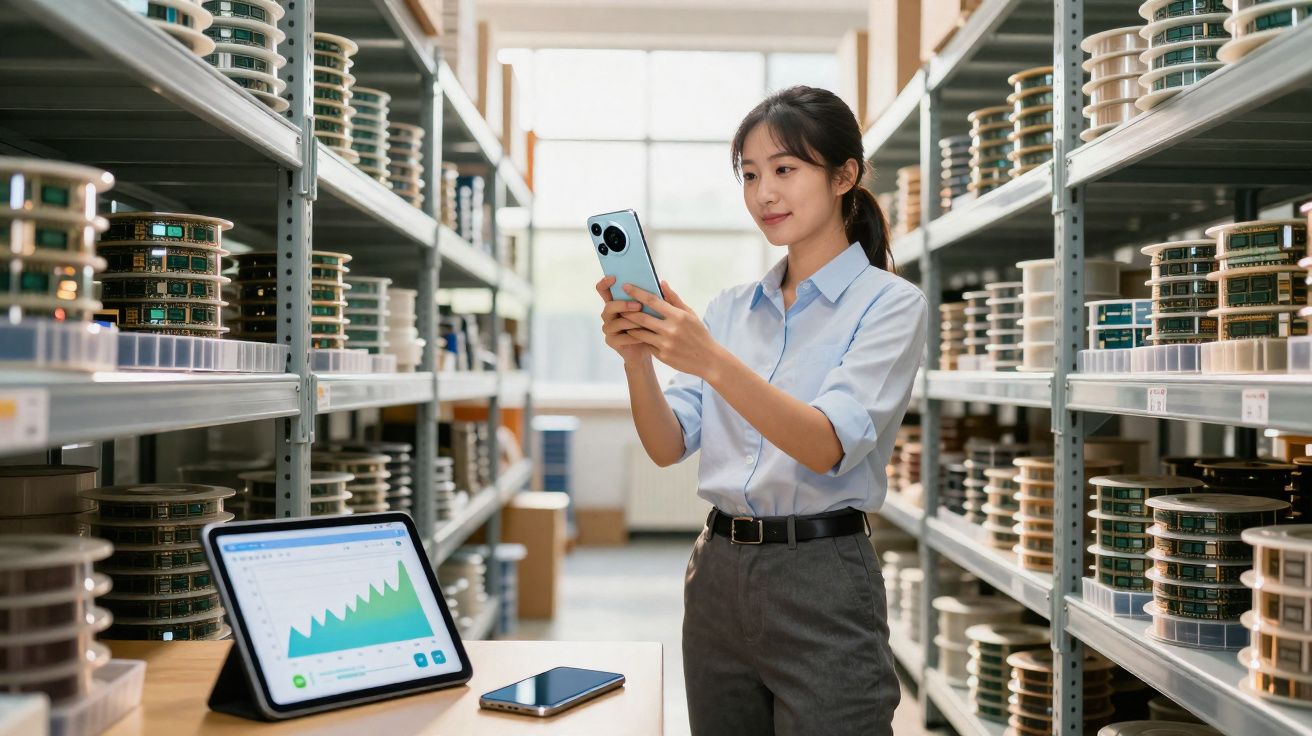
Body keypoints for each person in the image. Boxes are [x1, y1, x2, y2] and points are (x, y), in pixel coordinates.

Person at [593, 85, 928, 736]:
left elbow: (827, 443)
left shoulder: (890, 305)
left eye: (785, 169)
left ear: (844, 176)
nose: (764, 193)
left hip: (822, 578)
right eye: (749, 175)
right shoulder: (727, 310)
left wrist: (709, 358)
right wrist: (638, 356)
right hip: (717, 572)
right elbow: (666, 445)